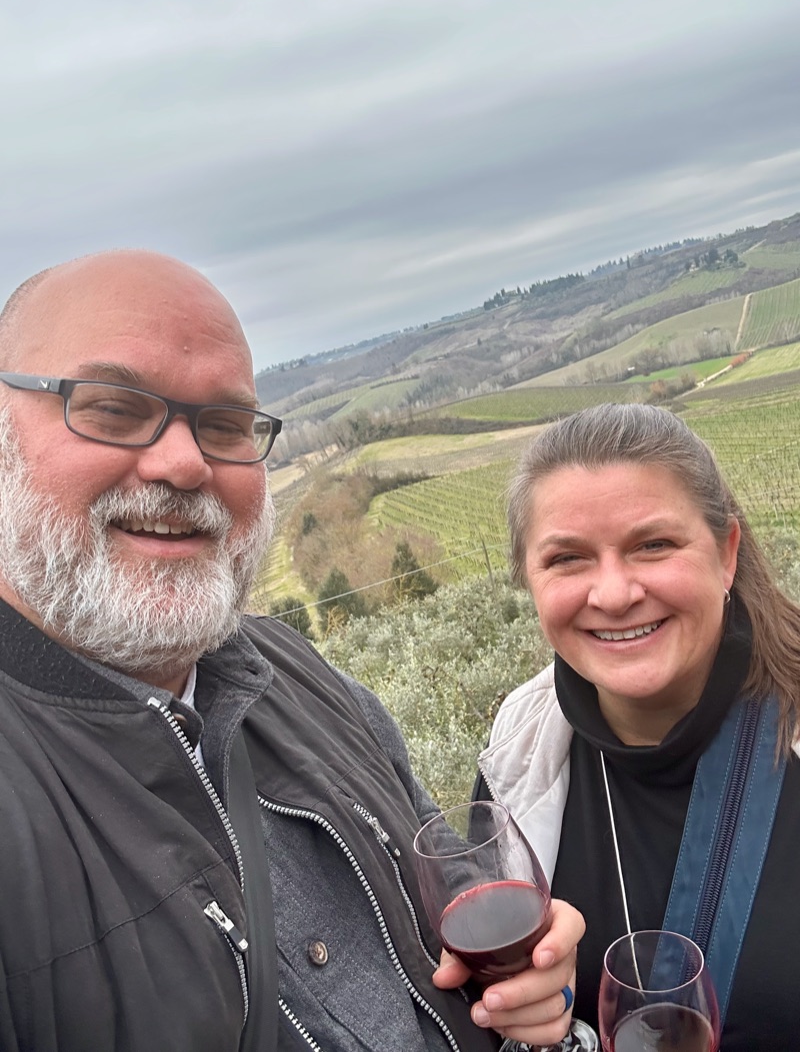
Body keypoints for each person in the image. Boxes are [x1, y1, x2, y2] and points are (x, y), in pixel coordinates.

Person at [0, 249, 583, 1052]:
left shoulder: (291, 667)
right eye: (111, 408)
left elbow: (437, 869)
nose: (184, 462)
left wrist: (524, 971)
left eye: (226, 424)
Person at [474, 403, 800, 1051]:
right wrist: (532, 1010)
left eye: (653, 545)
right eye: (568, 558)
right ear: (530, 583)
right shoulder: (518, 748)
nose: (615, 593)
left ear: (726, 553)